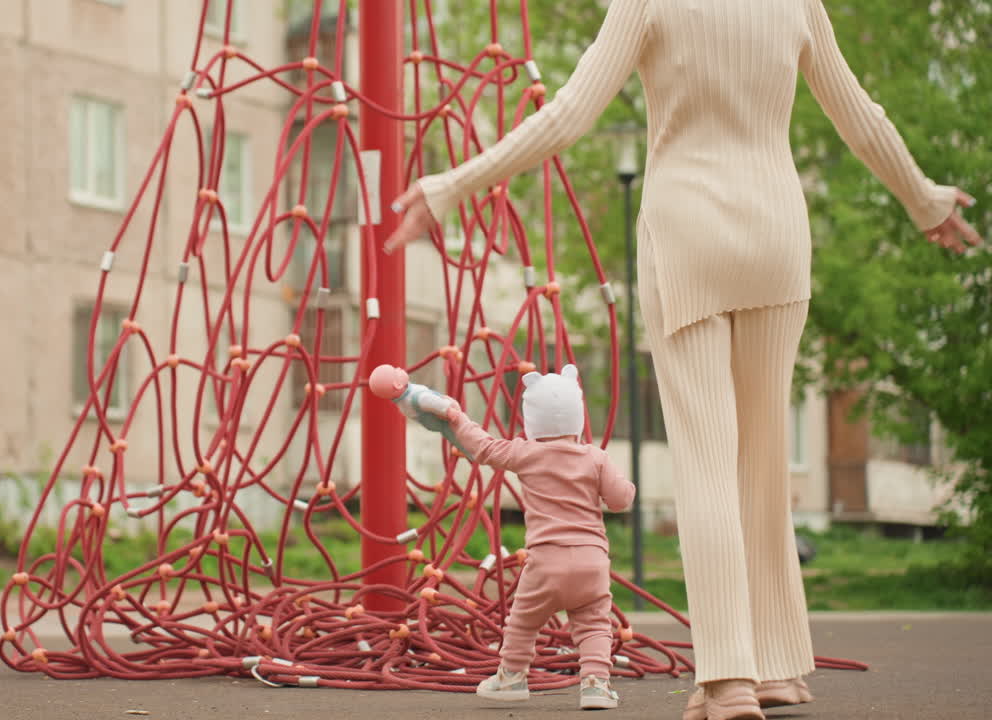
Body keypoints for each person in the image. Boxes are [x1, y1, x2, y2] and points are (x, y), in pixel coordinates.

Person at [383, 1, 983, 718]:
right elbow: (860, 114)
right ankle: (778, 667)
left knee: (706, 460)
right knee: (762, 457)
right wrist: (926, 199)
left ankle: (728, 677)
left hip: (687, 231)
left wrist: (452, 186)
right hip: (777, 234)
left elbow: (569, 114)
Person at [442, 364, 635, 710]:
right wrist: (627, 488)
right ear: (578, 413)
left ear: (532, 419)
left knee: (523, 621)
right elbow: (620, 500)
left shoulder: (525, 453)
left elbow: (484, 448)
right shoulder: (595, 458)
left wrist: (457, 419)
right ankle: (596, 685)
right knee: (593, 624)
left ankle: (512, 677)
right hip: (592, 560)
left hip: (546, 560)